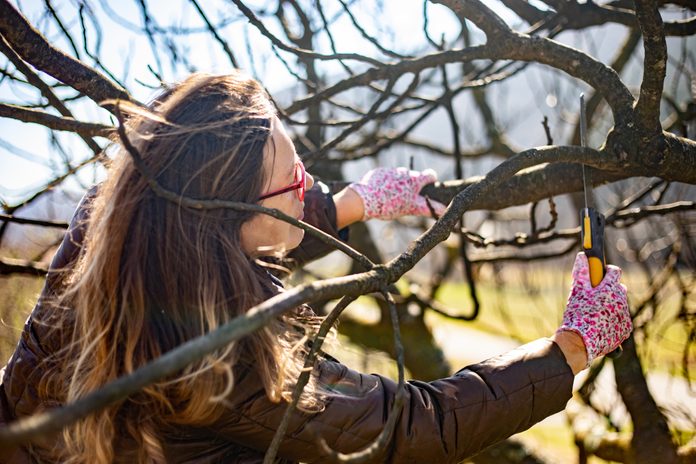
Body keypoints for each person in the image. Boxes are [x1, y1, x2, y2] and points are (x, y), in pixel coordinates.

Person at [0, 72, 632, 464]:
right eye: (293, 181)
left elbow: (252, 227)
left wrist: (357, 201)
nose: (308, 186)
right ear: (229, 215)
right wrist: (571, 346)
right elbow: (407, 427)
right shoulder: (228, 362)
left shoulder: (121, 219)